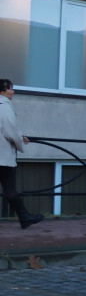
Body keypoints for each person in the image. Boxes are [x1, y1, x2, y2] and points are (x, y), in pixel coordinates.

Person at [0, 79, 44, 229]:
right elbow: (9, 131)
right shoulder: (4, 106)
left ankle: (25, 217)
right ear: (3, 91)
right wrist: (20, 144)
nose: (13, 91)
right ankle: (24, 218)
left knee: (8, 188)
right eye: (11, 89)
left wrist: (20, 135)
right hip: (2, 157)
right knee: (9, 188)